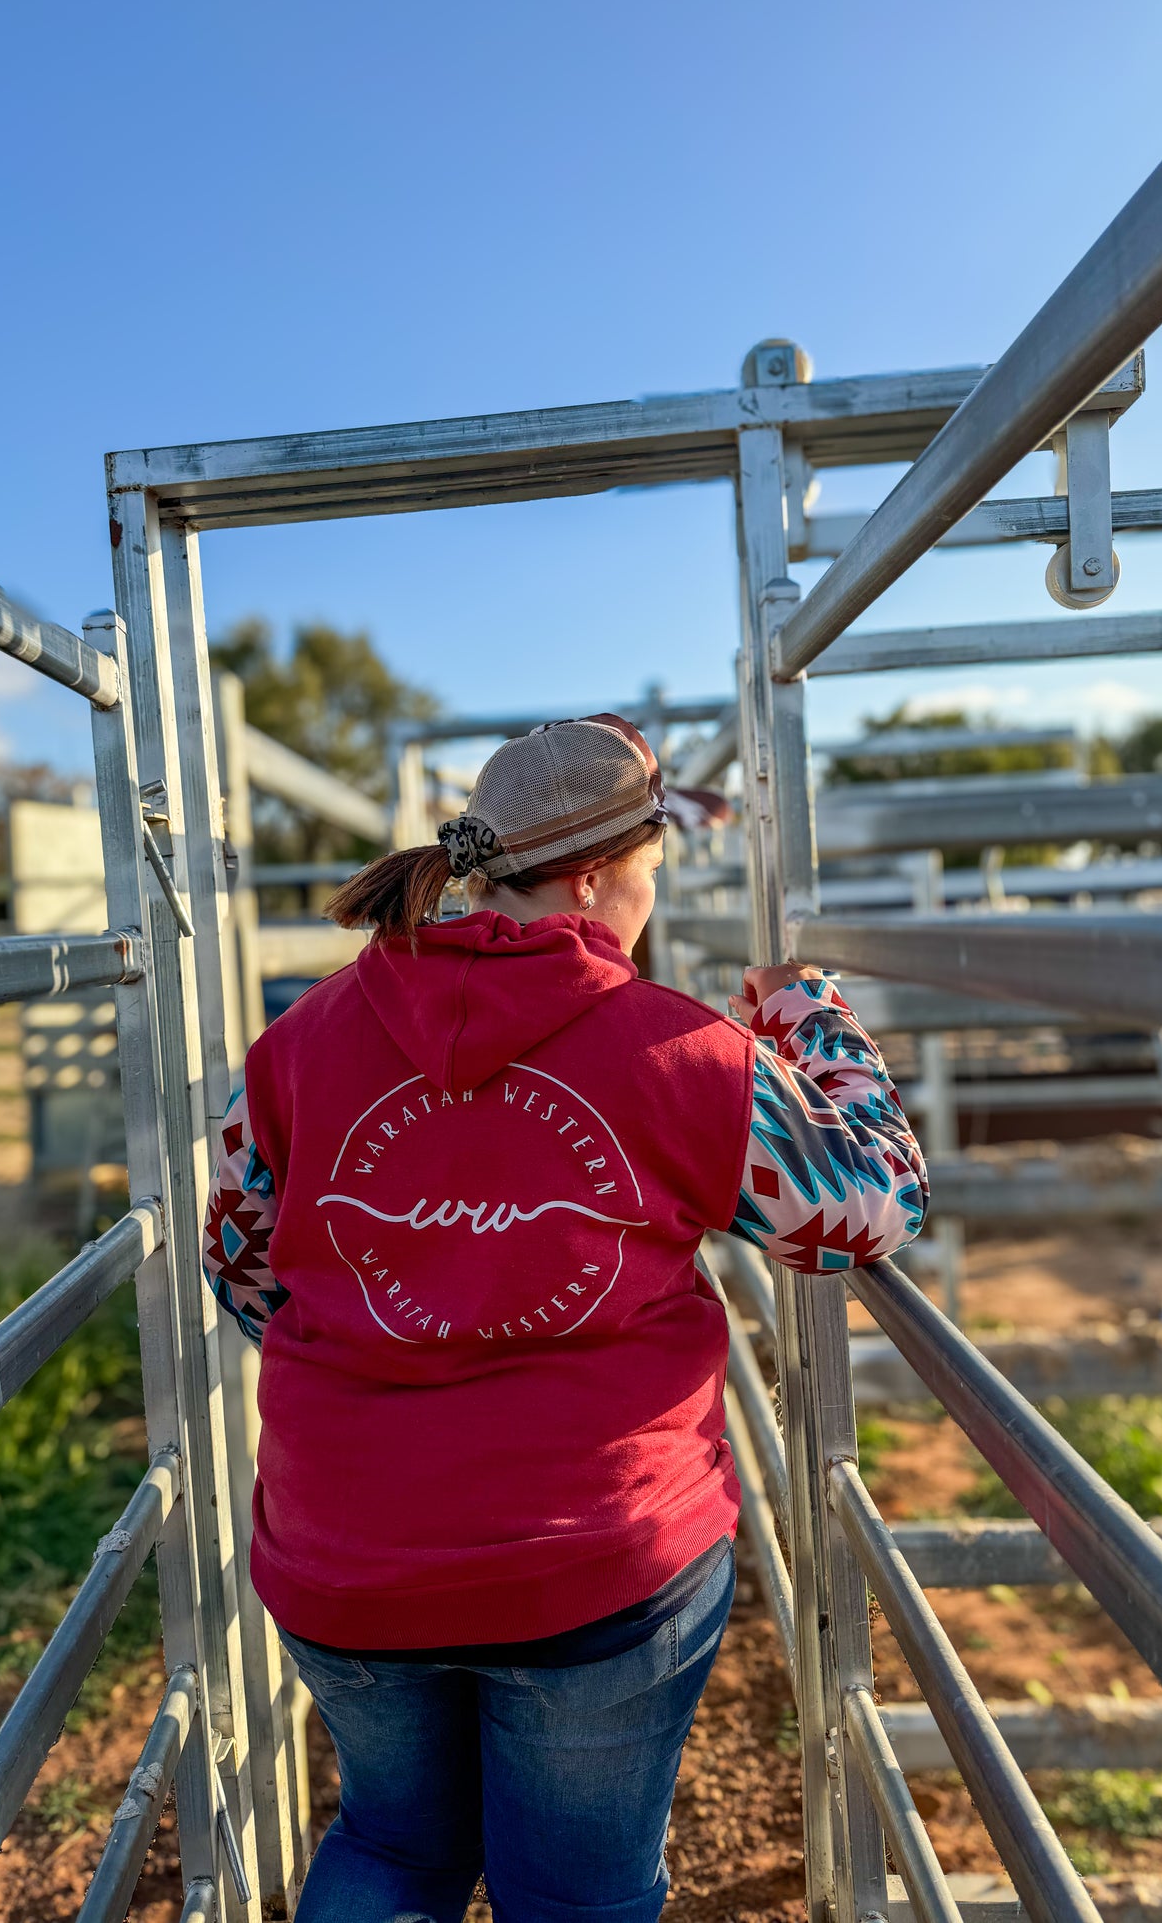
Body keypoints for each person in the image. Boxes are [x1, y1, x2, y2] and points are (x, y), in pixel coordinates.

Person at [203, 713, 927, 1923]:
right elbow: (869, 1205)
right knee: (576, 1896)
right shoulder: (676, 1049)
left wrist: (400, 1343)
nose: (658, 886)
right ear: (596, 875)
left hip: (344, 1545)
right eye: (656, 860)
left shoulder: (297, 1041)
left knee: (389, 1845)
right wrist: (809, 1020)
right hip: (592, 1566)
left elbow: (241, 1256)